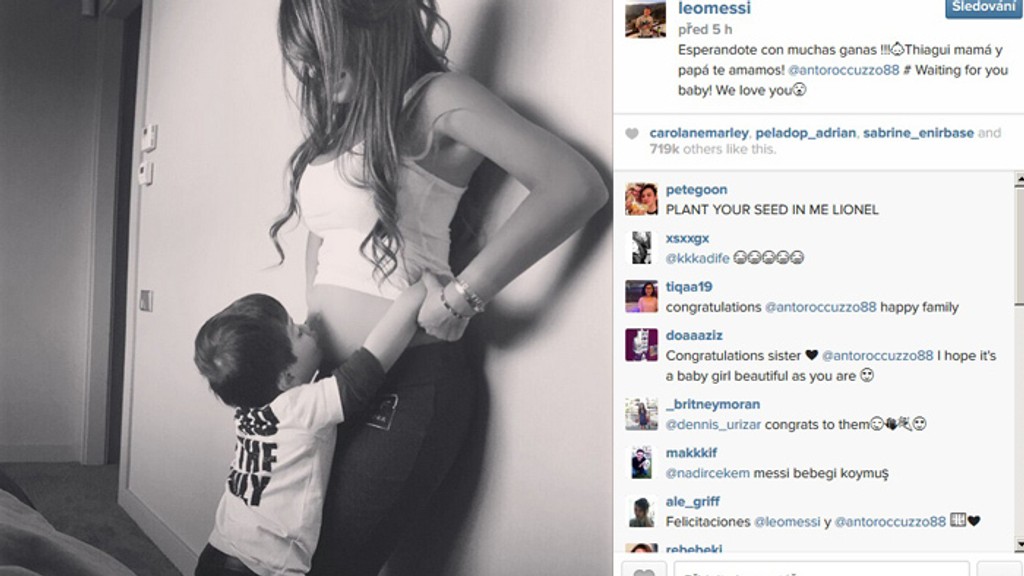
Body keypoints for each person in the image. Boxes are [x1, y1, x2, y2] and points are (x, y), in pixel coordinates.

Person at [271, 1, 607, 574]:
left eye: (323, 51)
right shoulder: (346, 119)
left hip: (408, 383)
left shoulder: (436, 99)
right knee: (286, 550)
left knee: (332, 564)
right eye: (305, 57)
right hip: (333, 380)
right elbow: (324, 234)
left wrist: (467, 294)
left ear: (370, 24)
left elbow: (575, 185)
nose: (313, 71)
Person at [192, 281, 426, 576]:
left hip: (220, 548)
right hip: (263, 567)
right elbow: (367, 367)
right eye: (298, 331)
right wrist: (415, 295)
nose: (309, 326)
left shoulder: (247, 409)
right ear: (286, 376)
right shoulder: (298, 409)